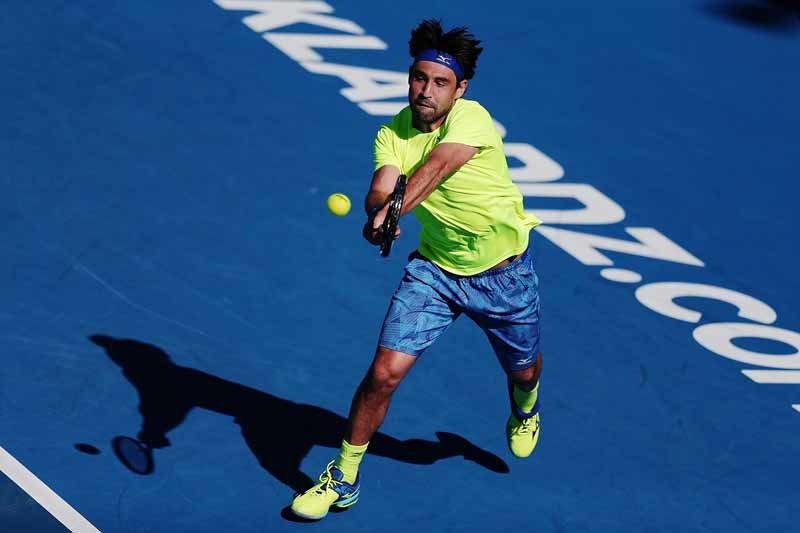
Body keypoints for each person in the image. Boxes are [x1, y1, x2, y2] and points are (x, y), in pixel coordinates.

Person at [290, 19, 543, 520]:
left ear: (460, 89)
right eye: (419, 78)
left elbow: (439, 167)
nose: (426, 91)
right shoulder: (392, 132)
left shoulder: (471, 119)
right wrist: (377, 214)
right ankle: (343, 477)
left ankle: (526, 405)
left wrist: (394, 210)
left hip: (504, 276)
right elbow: (381, 187)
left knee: (524, 370)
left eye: (440, 82)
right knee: (383, 374)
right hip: (435, 273)